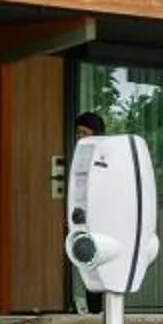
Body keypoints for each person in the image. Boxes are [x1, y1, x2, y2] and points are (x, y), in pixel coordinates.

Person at [67, 112, 107, 313]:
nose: (80, 138)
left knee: (101, 261)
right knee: (87, 259)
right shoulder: (79, 155)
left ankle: (103, 309)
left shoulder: (105, 154)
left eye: (84, 132)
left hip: (103, 215)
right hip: (83, 214)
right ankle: (93, 310)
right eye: (78, 134)